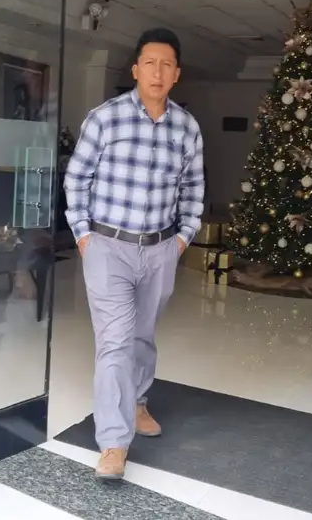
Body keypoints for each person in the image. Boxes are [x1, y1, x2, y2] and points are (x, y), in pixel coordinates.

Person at [64, 28, 205, 480]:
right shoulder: (104, 119)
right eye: (150, 63)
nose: (157, 72)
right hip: (107, 246)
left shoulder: (186, 127)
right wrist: (84, 236)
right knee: (116, 343)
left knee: (142, 338)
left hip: (160, 247)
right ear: (136, 70)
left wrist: (182, 239)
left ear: (176, 73)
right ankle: (113, 442)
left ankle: (139, 401)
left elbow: (193, 190)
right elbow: (76, 179)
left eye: (166, 65)